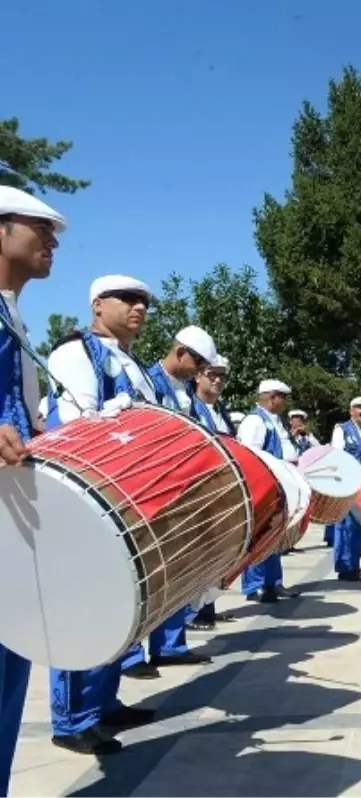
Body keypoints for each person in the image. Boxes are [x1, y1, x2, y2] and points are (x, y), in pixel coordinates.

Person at [46, 274, 162, 755]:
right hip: (89, 500)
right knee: (80, 609)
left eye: (144, 302)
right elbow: (78, 426)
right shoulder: (76, 353)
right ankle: (72, 720)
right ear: (98, 304)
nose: (139, 307)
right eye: (129, 299)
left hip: (126, 501)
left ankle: (105, 702)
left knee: (116, 609)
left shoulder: (128, 361)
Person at [0, 187, 65, 780]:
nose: (52, 241)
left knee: (9, 670)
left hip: (12, 515)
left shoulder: (13, 315)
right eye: (39, 228)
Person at [120, 325, 218, 672]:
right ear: (180, 353)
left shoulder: (189, 394)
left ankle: (170, 645)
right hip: (150, 493)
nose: (201, 370)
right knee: (144, 576)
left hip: (182, 493)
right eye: (198, 361)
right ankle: (131, 655)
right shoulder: (146, 382)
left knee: (177, 572)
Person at [186, 355, 236, 629]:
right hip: (200, 492)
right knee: (197, 556)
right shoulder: (190, 407)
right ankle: (191, 616)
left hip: (221, 491)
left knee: (214, 558)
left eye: (221, 375)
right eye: (211, 374)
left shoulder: (221, 410)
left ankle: (206, 609)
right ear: (197, 376)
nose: (217, 380)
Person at [237, 379, 299, 601]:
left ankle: (273, 582)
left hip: (280, 487)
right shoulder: (255, 421)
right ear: (272, 397)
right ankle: (255, 586)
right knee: (259, 537)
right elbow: (250, 455)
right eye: (283, 397)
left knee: (274, 537)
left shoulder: (276, 421)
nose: (284, 402)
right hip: (265, 487)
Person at [332, 396, 361, 579]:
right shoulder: (341, 430)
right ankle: (345, 568)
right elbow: (337, 457)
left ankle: (354, 564)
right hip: (348, 486)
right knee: (346, 528)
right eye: (359, 407)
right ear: (351, 411)